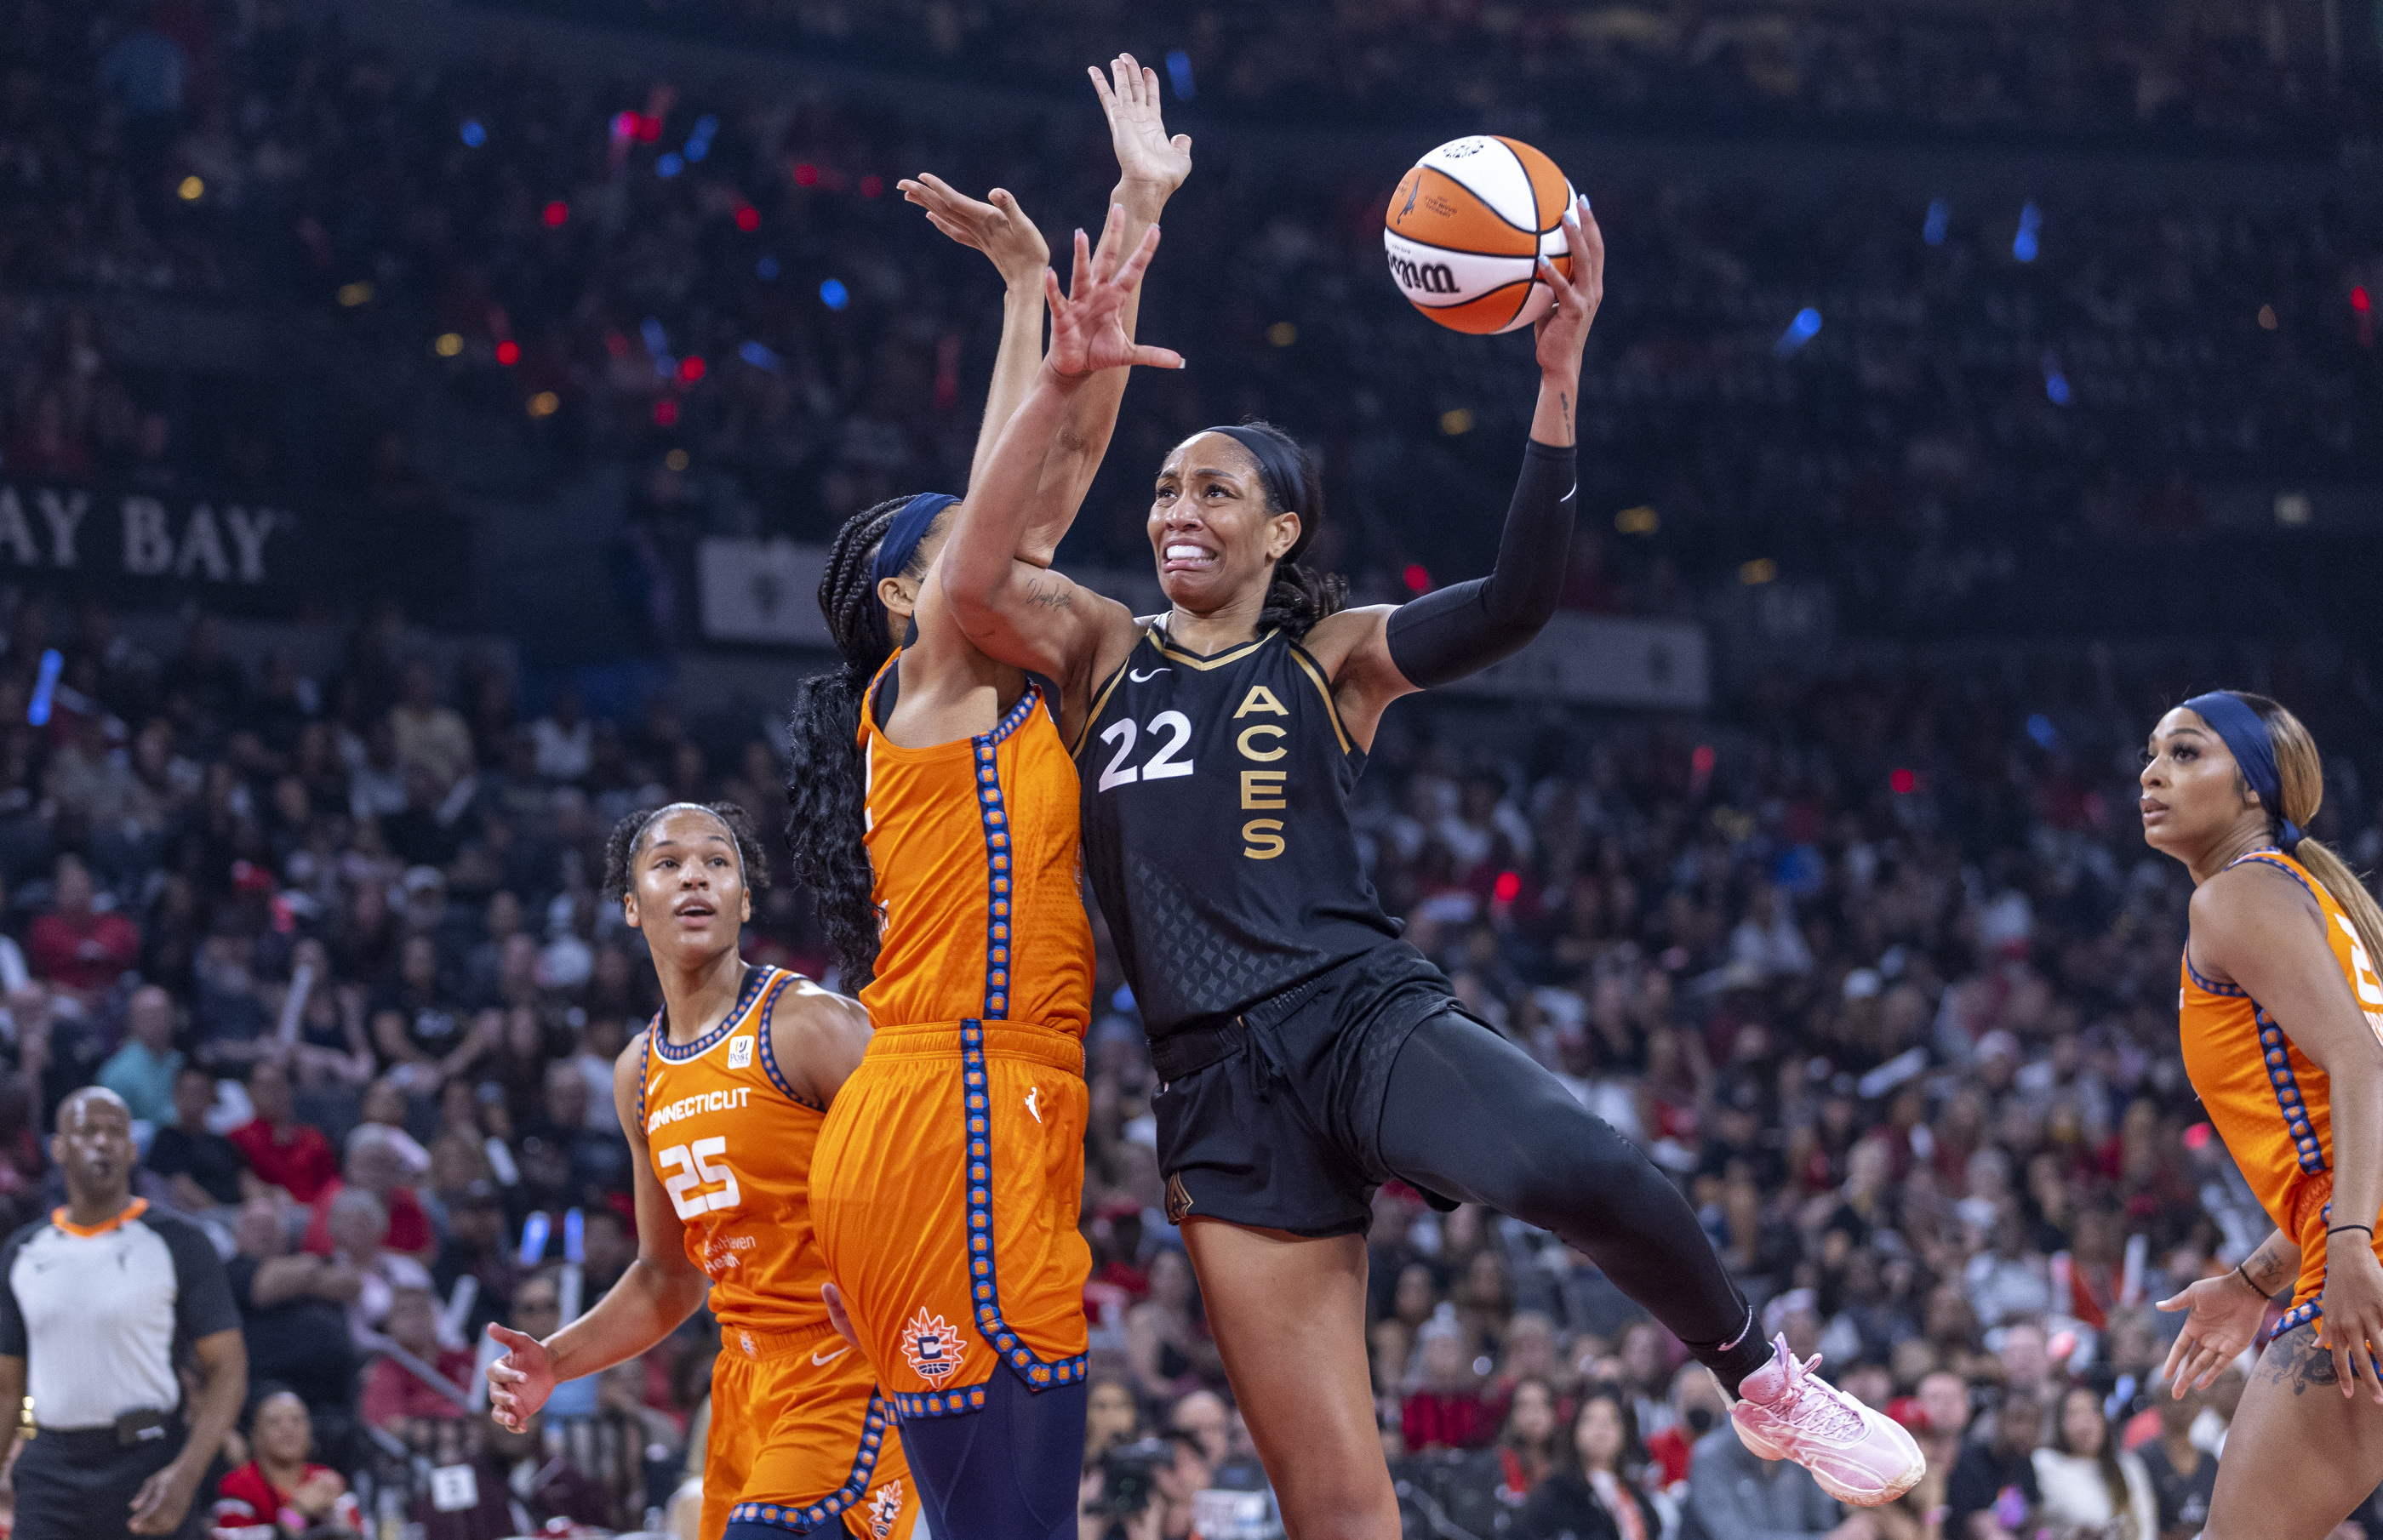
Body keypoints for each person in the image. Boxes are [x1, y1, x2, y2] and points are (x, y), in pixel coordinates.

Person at [933, 151, 1922, 1535]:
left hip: (1352, 1015)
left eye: (1216, 492)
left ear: (1282, 529)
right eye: (1164, 490)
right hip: (1214, 1088)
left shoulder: (1331, 658)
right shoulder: (1101, 650)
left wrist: (1557, 379)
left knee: (1589, 1171)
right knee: (1336, 1500)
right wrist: (1055, 377)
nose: (1176, 512)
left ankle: (1760, 1379)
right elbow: (970, 586)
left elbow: (1517, 603)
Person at [784, 55, 1188, 1540]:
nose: (1006, 544)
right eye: (960, 546)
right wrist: (1038, 310)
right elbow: (1036, 476)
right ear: (903, 598)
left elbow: (1066, 452)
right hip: (946, 1107)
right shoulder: (934, 682)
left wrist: (1115, 229)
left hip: (1004, 1106)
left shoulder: (1008, 689)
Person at [483, 802, 915, 1539]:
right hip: (742, 1387)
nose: (696, 877)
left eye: (718, 863)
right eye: (669, 863)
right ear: (631, 906)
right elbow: (667, 1275)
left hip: (847, 1368)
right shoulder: (638, 1073)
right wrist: (555, 1362)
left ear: (744, 900)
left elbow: (928, 1182)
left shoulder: (810, 1025)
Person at [2143, 691, 2383, 1539]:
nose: (2151, 772)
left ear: (2252, 789)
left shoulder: (2233, 899)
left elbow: (2362, 1065)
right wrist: (2253, 1280)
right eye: (2152, 754)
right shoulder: (2303, 895)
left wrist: (2350, 1245)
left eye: (2184, 753)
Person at [0, 1087, 248, 1540]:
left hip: (147, 1462)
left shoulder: (179, 1243)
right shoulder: (22, 1252)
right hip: (48, 1466)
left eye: (116, 1132)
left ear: (132, 1150)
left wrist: (187, 1475)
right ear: (58, 1148)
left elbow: (228, 1369)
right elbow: (10, 1390)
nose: (102, 1141)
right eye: (87, 1131)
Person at [209, 1389, 363, 1537]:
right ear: (256, 1436)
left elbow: (360, 1533)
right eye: (274, 1422)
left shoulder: (327, 1480)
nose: (287, 1429)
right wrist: (297, 1511)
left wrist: (336, 1515)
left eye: (296, 1420)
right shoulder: (237, 1486)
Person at [1521, 1384, 1663, 1540]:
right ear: (1575, 1431)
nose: (1602, 1427)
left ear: (1624, 1434)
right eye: (1590, 1419)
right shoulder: (1556, 1493)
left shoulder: (1637, 1499)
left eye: (1612, 1419)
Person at [2032, 1385, 2155, 1540]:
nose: (2085, 1421)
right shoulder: (2045, 1464)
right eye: (2074, 1413)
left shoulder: (2129, 1466)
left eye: (2093, 1411)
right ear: (2059, 1422)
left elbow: (2146, 1526)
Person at [226, 1058, 339, 1205]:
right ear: (250, 1092)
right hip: (270, 1213)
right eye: (266, 1087)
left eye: (280, 1085)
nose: (275, 1093)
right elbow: (244, 1183)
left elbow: (331, 1185)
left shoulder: (314, 1138)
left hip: (316, 1212)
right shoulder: (237, 1138)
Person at [146, 1063, 256, 1211]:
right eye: (187, 1092)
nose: (192, 1099)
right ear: (175, 1096)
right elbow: (182, 1187)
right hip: (198, 1216)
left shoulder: (222, 1142)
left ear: (211, 1097)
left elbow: (245, 1179)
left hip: (238, 1214)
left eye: (199, 1092)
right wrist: (219, 1214)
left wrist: (258, 1204)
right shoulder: (167, 1140)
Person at [1945, 1390, 2045, 1540]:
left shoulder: (2025, 1463)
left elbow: (2035, 1516)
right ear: (1999, 1420)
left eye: (2034, 1423)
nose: (2027, 1430)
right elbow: (1975, 1523)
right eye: (2018, 1420)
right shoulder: (1968, 1459)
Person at [2134, 1381, 2214, 1540]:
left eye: (2189, 1398)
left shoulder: (2210, 1460)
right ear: (2159, 1405)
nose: (2183, 1405)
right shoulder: (2142, 1459)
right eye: (2175, 1397)